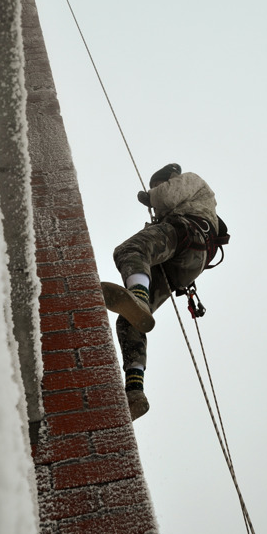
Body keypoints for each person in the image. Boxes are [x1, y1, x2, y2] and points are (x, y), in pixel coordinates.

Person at [101, 163, 222, 421]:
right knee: (129, 321)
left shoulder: (191, 181)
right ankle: (135, 391)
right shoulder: (171, 214)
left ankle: (140, 297)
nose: (156, 193)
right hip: (184, 263)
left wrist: (150, 196)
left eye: (158, 184)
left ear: (169, 178)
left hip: (188, 234)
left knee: (129, 250)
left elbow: (167, 195)